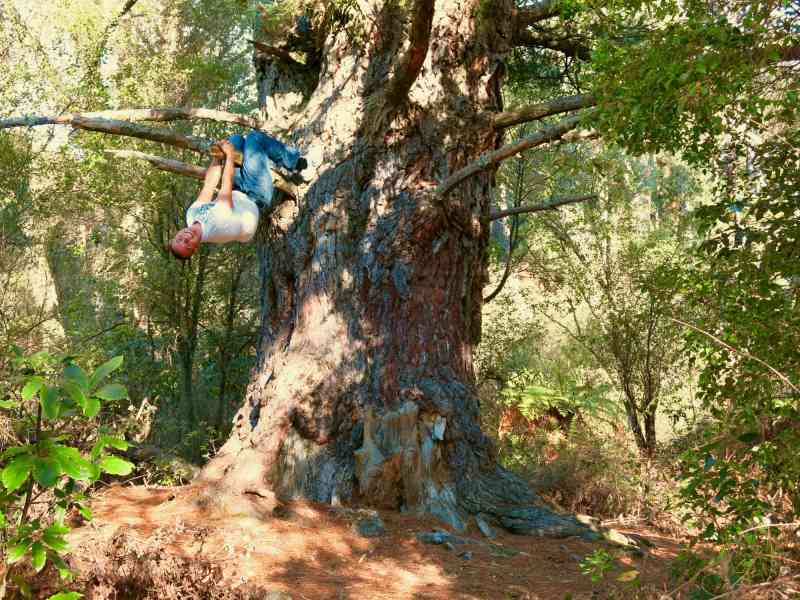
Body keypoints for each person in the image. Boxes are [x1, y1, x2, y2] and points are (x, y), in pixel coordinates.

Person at [168, 131, 307, 260]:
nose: (185, 238)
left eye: (179, 239)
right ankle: (296, 162)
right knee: (254, 139)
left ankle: (261, 161)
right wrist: (228, 155)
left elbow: (209, 184)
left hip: (238, 191)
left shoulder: (191, 216)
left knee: (234, 140)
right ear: (195, 248)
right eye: (187, 244)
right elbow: (226, 183)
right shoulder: (217, 228)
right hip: (255, 197)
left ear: (176, 235)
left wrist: (217, 157)